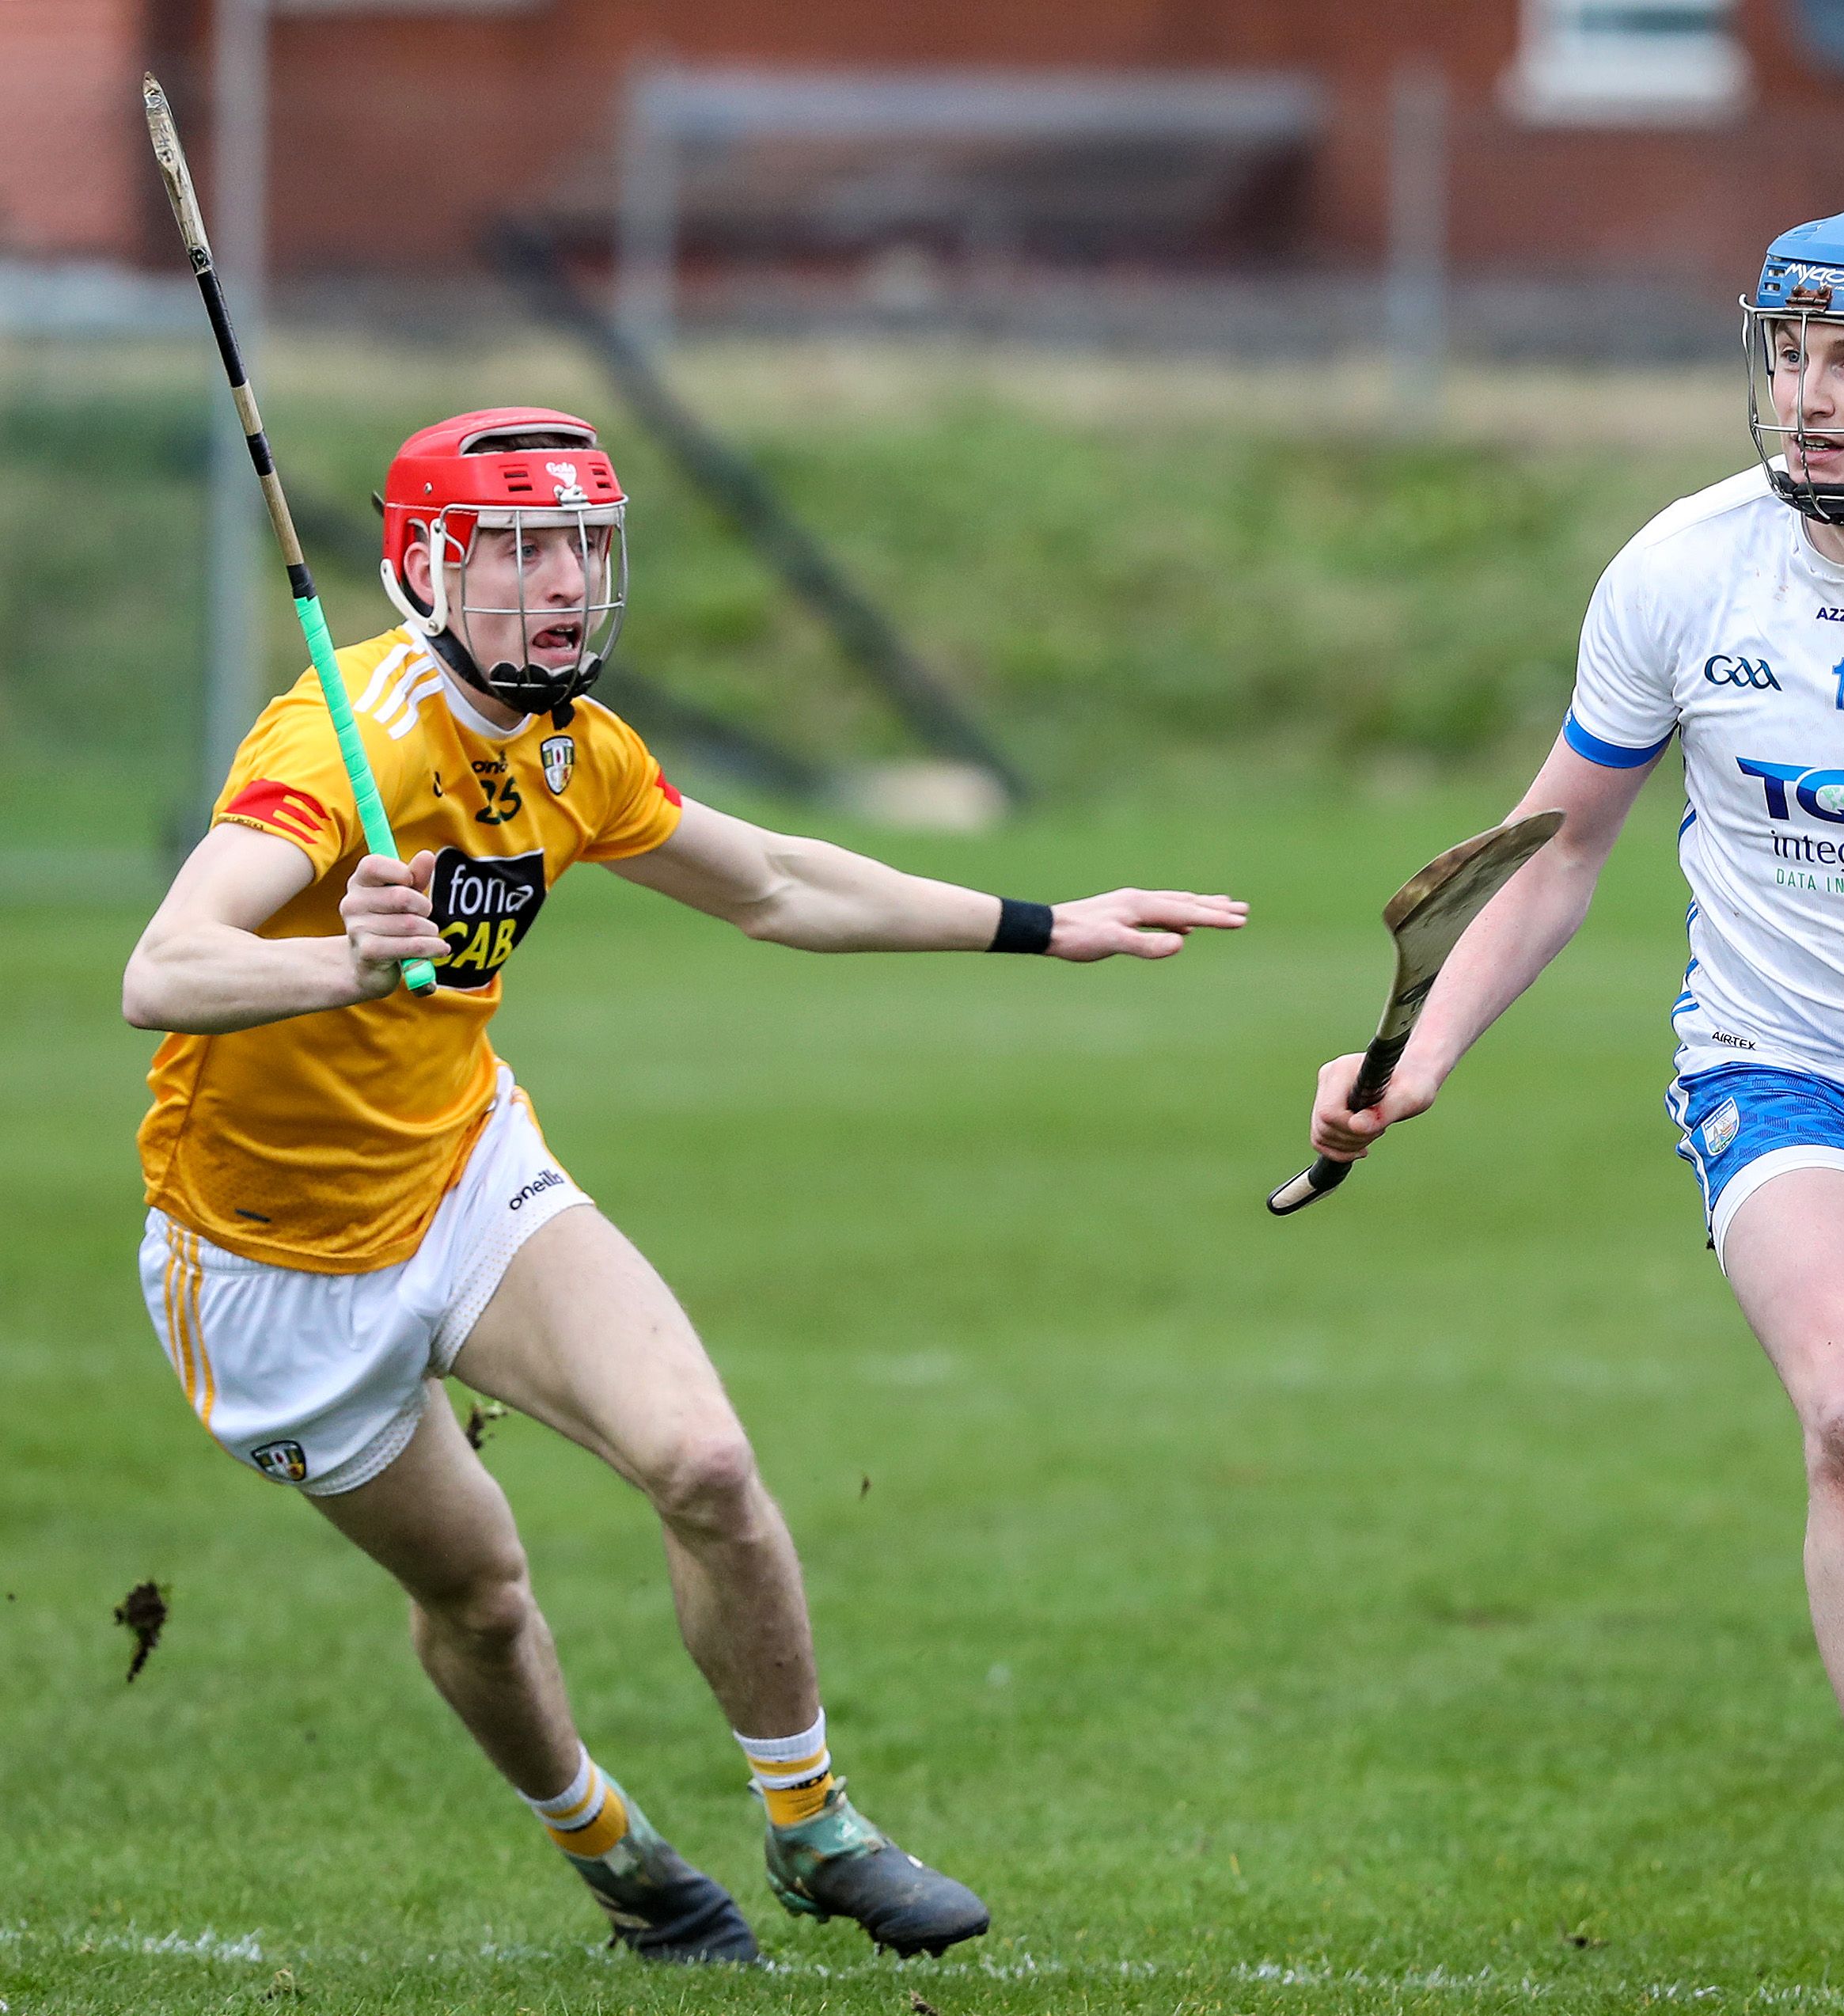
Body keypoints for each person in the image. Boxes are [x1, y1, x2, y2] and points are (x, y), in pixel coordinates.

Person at [123, 407, 1246, 1962]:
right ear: (421, 569)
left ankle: (814, 1824)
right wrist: (342, 954)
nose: (564, 585)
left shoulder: (579, 748)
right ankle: (617, 1853)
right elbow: (163, 968)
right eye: (518, 554)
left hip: (463, 1171)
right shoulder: (345, 742)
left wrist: (1043, 921)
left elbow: (775, 882)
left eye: (583, 546)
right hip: (266, 1266)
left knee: (705, 1462)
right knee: (485, 1598)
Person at [1305, 211, 1844, 2015]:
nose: (1806, 397)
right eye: (1788, 353)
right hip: (1783, 1074)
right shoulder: (1683, 571)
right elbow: (1549, 853)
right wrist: (1420, 1049)